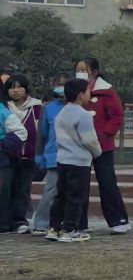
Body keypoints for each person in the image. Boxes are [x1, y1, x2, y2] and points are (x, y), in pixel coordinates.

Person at [74, 56, 130, 234]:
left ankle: (118, 220)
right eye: (78, 69)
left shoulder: (107, 92)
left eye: (84, 69)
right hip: (79, 146)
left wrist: (104, 134)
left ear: (95, 71)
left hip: (102, 146)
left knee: (107, 182)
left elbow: (116, 117)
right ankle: (78, 223)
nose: (80, 72)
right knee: (79, 184)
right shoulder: (74, 90)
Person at [47, 78, 99, 243]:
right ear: (80, 95)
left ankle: (54, 228)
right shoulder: (83, 115)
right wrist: (97, 152)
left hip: (62, 159)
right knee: (76, 197)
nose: (89, 94)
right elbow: (89, 140)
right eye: (87, 91)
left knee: (60, 195)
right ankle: (70, 230)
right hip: (79, 161)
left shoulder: (62, 112)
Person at [4, 77, 41, 233]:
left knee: (22, 188)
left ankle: (20, 220)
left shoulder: (37, 107)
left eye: (19, 87)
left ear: (26, 89)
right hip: (8, 155)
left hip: (28, 156)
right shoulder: (4, 108)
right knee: (6, 188)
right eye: (12, 87)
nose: (16, 90)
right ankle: (6, 220)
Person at [28, 83, 65, 235]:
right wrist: (39, 155)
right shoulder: (49, 108)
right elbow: (42, 134)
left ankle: (67, 223)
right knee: (51, 189)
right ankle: (41, 223)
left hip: (74, 157)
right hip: (53, 155)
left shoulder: (80, 107)